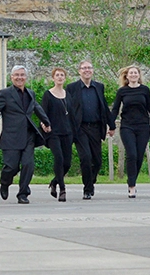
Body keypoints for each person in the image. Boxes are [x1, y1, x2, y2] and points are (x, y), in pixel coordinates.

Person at [0, 65, 50, 204]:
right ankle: (5, 182)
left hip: (28, 135)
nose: (20, 78)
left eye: (22, 75)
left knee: (28, 164)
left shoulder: (30, 93)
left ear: (26, 78)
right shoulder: (5, 93)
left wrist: (46, 122)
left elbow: (37, 108)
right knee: (11, 167)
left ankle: (23, 193)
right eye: (17, 75)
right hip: (11, 137)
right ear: (11, 77)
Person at [108, 65, 150, 198]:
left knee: (139, 155)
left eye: (136, 73)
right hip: (127, 126)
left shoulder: (145, 90)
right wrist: (111, 124)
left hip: (143, 126)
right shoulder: (122, 91)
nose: (134, 75)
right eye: (131, 73)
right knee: (131, 154)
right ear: (127, 76)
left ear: (139, 76)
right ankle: (131, 185)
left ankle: (132, 180)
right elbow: (115, 109)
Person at [65, 60, 112, 200]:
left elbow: (104, 106)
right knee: (85, 157)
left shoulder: (99, 87)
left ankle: (91, 180)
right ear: (79, 71)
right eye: (84, 68)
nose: (87, 70)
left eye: (89, 68)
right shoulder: (72, 88)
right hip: (80, 128)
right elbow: (67, 107)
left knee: (97, 161)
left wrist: (112, 125)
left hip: (96, 128)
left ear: (92, 70)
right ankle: (87, 188)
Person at [40, 67, 73, 202]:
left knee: (67, 163)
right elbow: (42, 112)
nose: (60, 77)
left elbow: (71, 114)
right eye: (57, 75)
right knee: (59, 158)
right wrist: (44, 124)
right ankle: (62, 189)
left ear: (65, 78)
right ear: (53, 78)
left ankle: (54, 182)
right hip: (53, 133)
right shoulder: (48, 94)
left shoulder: (68, 95)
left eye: (62, 75)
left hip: (67, 132)